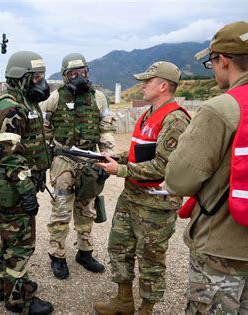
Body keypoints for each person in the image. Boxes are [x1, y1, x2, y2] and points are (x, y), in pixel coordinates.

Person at [165, 21, 248, 314]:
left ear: (223, 60)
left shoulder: (220, 108)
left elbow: (179, 180)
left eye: (211, 62)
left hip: (220, 248)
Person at [94, 61, 191, 314]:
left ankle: (146, 309)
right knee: (119, 248)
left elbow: (163, 167)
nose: (143, 85)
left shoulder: (176, 119)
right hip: (132, 196)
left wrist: (120, 170)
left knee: (150, 259)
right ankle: (124, 302)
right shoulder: (149, 113)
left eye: (148, 81)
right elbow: (140, 152)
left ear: (163, 85)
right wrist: (117, 158)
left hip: (155, 204)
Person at [40, 53, 116, 279]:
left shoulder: (99, 98)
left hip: (90, 159)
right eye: (73, 74)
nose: (78, 77)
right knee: (61, 208)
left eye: (81, 73)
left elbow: (106, 128)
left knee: (87, 209)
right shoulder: (54, 98)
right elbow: (42, 126)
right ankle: (57, 254)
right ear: (65, 76)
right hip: (63, 158)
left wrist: (107, 156)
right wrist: (50, 152)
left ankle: (85, 252)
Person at [0, 50, 54, 314]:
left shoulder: (26, 101)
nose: (41, 82)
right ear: (21, 78)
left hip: (20, 183)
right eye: (36, 77)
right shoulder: (10, 106)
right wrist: (26, 189)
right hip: (14, 185)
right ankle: (18, 300)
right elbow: (9, 155)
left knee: (11, 237)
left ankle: (2, 284)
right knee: (21, 242)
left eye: (42, 76)